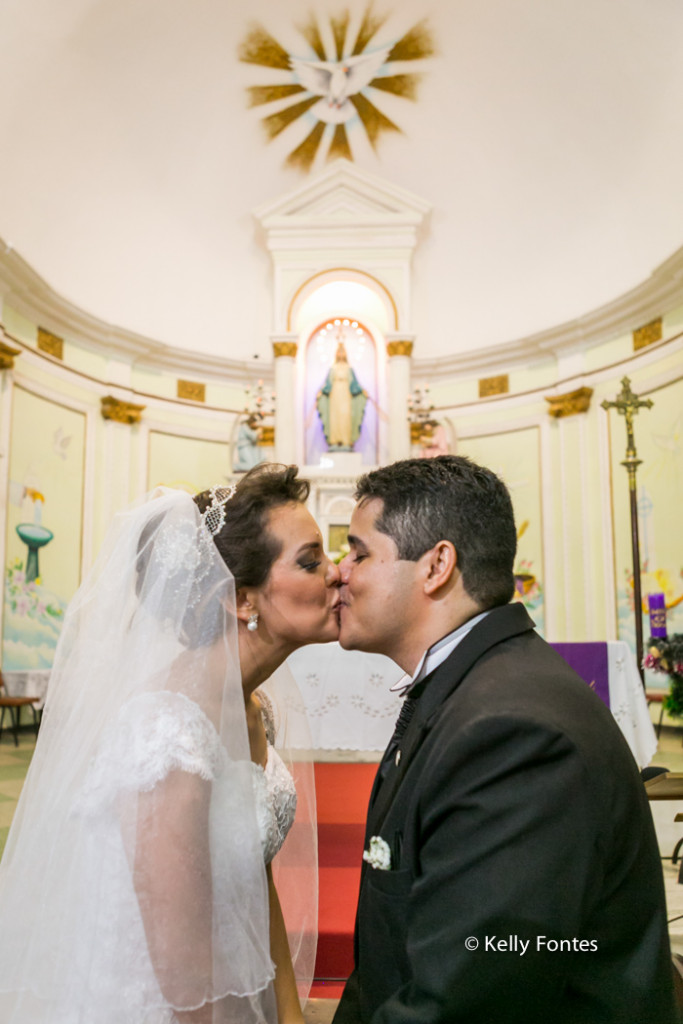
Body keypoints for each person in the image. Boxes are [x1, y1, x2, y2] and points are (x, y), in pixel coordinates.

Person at [333, 455, 676, 1024]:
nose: (339, 572)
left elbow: (476, 989)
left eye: (360, 552)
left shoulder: (513, 731)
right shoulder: (474, 682)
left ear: (436, 565)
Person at [0, 464, 341, 1024]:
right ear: (242, 600)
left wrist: (290, 1016)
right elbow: (182, 977)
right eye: (311, 560)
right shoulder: (166, 732)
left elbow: (256, 882)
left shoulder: (255, 709)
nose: (337, 574)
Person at [316, 342, 367, 450]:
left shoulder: (349, 368)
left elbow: (354, 384)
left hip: (345, 394)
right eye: (339, 352)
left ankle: (346, 441)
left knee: (345, 417)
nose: (341, 354)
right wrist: (321, 391)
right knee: (334, 417)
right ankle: (334, 440)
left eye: (342, 351)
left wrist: (362, 391)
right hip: (334, 394)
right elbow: (327, 383)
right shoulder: (333, 368)